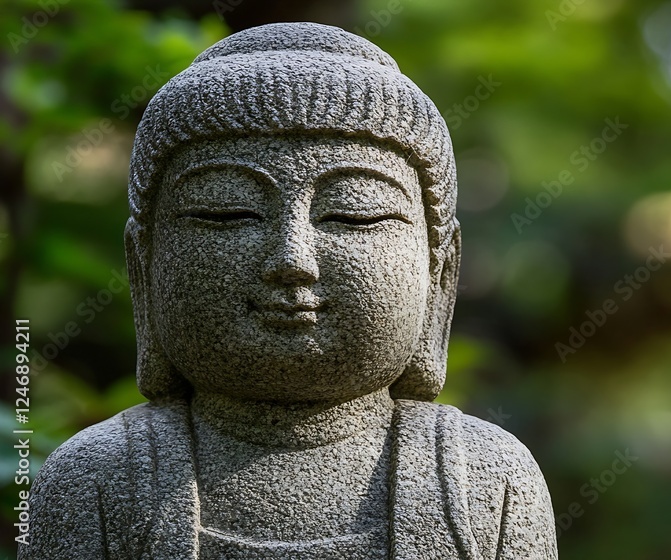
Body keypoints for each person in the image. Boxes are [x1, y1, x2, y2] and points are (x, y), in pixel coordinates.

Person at [21, 22, 557, 560]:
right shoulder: (95, 478)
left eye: (353, 215)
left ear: (439, 272)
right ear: (144, 264)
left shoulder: (485, 479)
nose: (291, 260)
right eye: (227, 213)